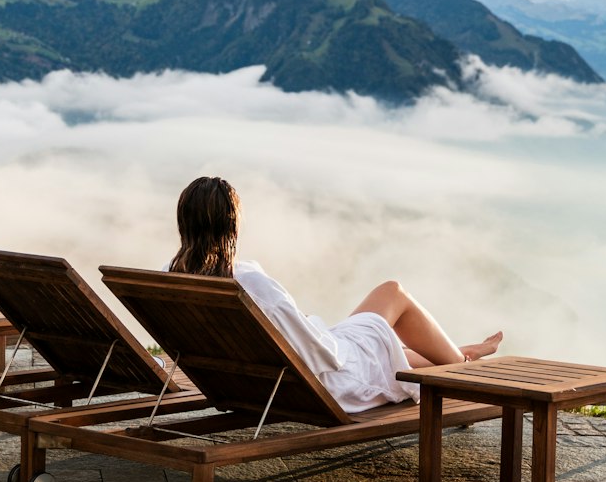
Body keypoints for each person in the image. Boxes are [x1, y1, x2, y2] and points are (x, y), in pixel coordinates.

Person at [166, 176, 502, 415]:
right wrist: (321, 330)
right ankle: (460, 365)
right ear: (232, 226)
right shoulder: (250, 281)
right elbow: (323, 355)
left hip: (252, 383)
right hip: (325, 385)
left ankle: (457, 353)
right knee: (392, 294)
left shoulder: (174, 276)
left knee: (380, 341)